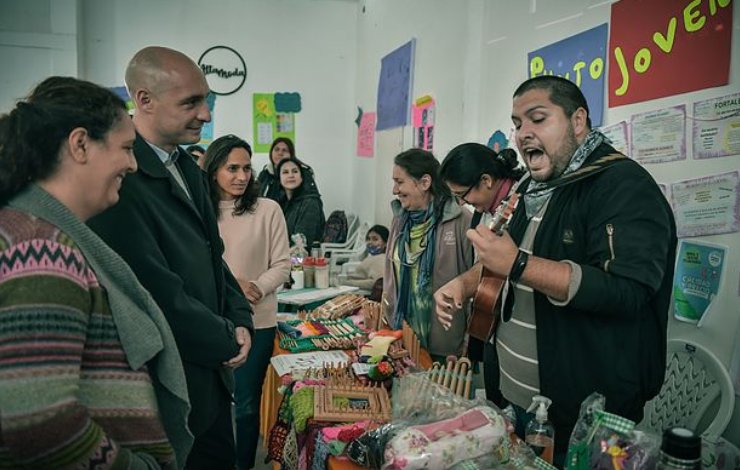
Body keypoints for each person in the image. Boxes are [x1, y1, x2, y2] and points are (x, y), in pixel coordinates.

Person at [436, 76, 676, 466]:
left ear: (578, 120)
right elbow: (499, 261)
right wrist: (461, 285)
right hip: (514, 401)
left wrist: (520, 265)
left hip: (580, 416)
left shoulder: (623, 187)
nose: (523, 133)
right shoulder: (530, 188)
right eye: (517, 124)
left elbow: (628, 290)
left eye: (538, 119)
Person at [0, 77, 191, 468]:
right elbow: (37, 420)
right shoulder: (42, 249)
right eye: (125, 148)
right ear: (81, 144)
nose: (133, 164)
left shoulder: (29, 229)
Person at [88, 46, 254, 469]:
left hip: (212, 377)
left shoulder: (188, 167)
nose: (205, 114)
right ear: (144, 100)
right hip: (171, 386)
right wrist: (223, 337)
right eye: (191, 102)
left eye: (206, 100)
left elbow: (214, 258)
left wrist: (239, 318)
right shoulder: (122, 180)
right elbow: (153, 287)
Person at [202, 135, 291, 470]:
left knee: (246, 406)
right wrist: (231, 287)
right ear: (213, 172)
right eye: (232, 168)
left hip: (259, 319)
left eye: (246, 168)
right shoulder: (200, 210)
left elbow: (282, 263)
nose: (242, 176)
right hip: (210, 320)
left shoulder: (268, 209)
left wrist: (253, 287)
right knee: (211, 404)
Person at [436, 143, 526, 405]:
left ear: (486, 181)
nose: (462, 204)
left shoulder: (522, 206)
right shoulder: (482, 212)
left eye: (462, 195)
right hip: (491, 328)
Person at [384, 149, 474, 361]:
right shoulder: (400, 220)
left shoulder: (461, 220)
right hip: (400, 335)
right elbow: (390, 275)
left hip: (444, 342)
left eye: (400, 182)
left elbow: (476, 281)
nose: (394, 190)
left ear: (425, 183)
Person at [277, 156, 326, 249]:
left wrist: (292, 263)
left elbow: (301, 247)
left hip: (302, 260)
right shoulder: (284, 203)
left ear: (301, 177)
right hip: (287, 257)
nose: (291, 175)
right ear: (279, 179)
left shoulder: (310, 203)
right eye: (285, 172)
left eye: (295, 171)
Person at [257, 136, 320, 201]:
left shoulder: (303, 172)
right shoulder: (265, 172)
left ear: (291, 154)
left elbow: (312, 199)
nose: (280, 153)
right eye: (276, 149)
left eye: (284, 150)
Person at [340, 224, 389, 290]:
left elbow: (377, 282)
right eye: (368, 239)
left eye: (375, 239)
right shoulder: (374, 257)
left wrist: (346, 283)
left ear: (386, 243)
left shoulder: (381, 259)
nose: (370, 242)